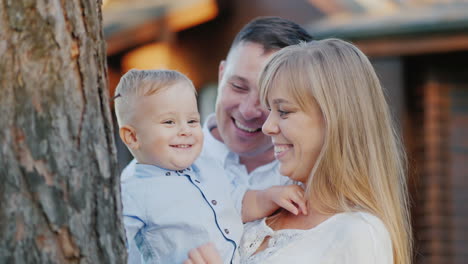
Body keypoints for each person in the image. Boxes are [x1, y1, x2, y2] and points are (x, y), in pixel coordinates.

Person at [184, 39, 413, 264]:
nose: (267, 127)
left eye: (283, 111)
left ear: (334, 120)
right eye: (270, 109)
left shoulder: (359, 233)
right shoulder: (264, 208)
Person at [121, 17, 314, 211]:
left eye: (268, 98)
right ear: (222, 74)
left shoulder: (312, 174)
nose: (248, 111)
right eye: (238, 87)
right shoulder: (153, 167)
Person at [115, 69, 307, 263]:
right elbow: (113, 250)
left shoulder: (206, 164)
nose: (185, 130)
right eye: (169, 122)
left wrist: (271, 196)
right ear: (133, 137)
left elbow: (237, 202)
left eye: (192, 121)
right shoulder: (132, 191)